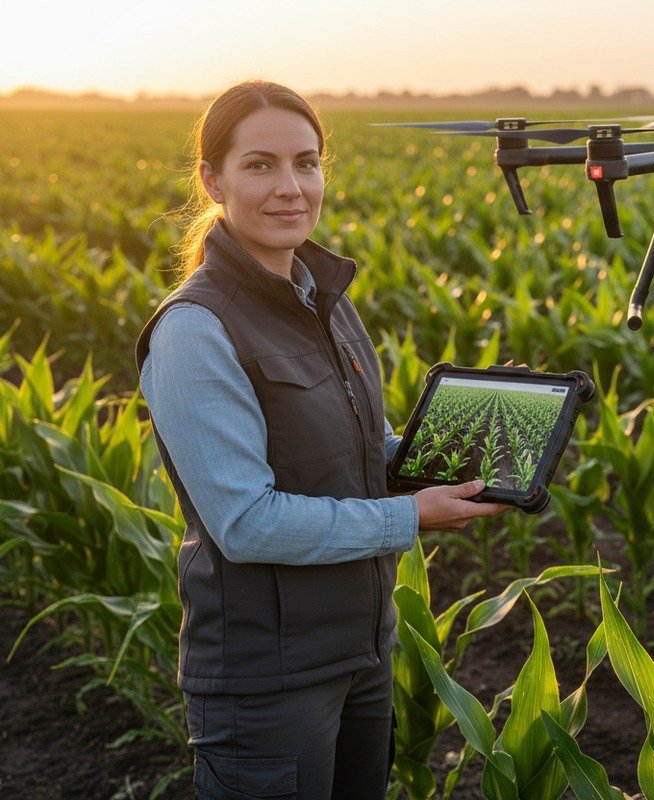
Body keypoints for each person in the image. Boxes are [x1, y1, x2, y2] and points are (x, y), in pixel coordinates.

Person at [135, 80, 507, 799]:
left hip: (361, 652)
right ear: (212, 180)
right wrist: (413, 515)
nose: (291, 188)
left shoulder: (325, 302)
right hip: (268, 680)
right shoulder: (194, 330)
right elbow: (246, 523)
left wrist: (478, 436)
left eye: (307, 163)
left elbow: (365, 449)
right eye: (260, 165)